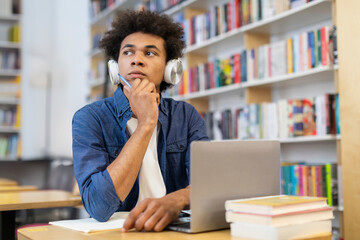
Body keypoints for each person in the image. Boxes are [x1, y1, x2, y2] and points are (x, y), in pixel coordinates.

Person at [72, 10, 209, 232]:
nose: (137, 59)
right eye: (128, 52)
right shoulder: (89, 118)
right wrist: (146, 124)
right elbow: (98, 206)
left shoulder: (186, 116)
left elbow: (209, 184)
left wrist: (178, 198)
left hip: (174, 231)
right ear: (115, 67)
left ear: (169, 69)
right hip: (118, 233)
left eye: (150, 53)